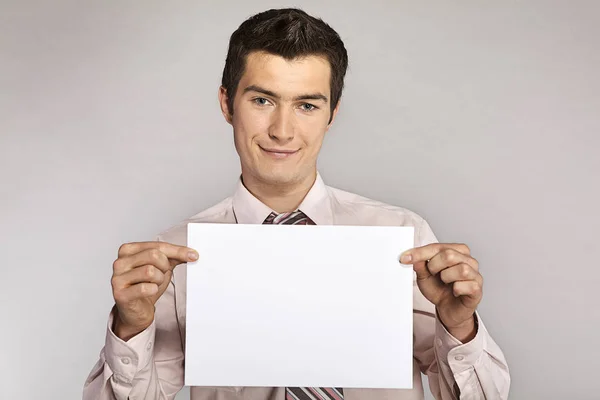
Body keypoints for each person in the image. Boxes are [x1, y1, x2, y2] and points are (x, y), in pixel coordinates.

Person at [83, 8, 510, 400]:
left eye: (306, 105)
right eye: (262, 100)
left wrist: (459, 327)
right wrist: (130, 326)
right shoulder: (176, 254)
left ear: (332, 114)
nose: (282, 131)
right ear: (227, 104)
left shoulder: (403, 237)